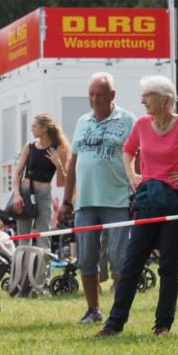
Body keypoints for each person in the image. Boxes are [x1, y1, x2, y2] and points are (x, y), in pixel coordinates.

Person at [97, 76, 178, 338]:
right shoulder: (142, 124)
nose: (142, 100)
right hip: (147, 201)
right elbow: (128, 151)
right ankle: (113, 324)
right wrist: (132, 176)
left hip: (175, 201)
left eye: (147, 95)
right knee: (132, 264)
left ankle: (162, 326)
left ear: (164, 99)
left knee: (168, 265)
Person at [59, 73, 138, 324]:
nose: (94, 99)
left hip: (118, 200)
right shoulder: (83, 121)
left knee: (119, 256)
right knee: (86, 257)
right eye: (91, 94)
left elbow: (138, 157)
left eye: (100, 94)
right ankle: (93, 309)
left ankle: (118, 311)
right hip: (85, 203)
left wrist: (137, 191)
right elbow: (72, 163)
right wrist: (66, 200)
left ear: (112, 95)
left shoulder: (127, 120)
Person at [11, 113, 70, 248]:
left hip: (43, 194)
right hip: (25, 192)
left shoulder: (60, 149)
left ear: (44, 128)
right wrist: (17, 194)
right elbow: (17, 173)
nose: (31, 129)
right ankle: (24, 268)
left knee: (44, 237)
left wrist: (58, 165)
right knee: (24, 238)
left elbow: (62, 182)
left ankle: (43, 269)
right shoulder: (30, 146)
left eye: (34, 126)